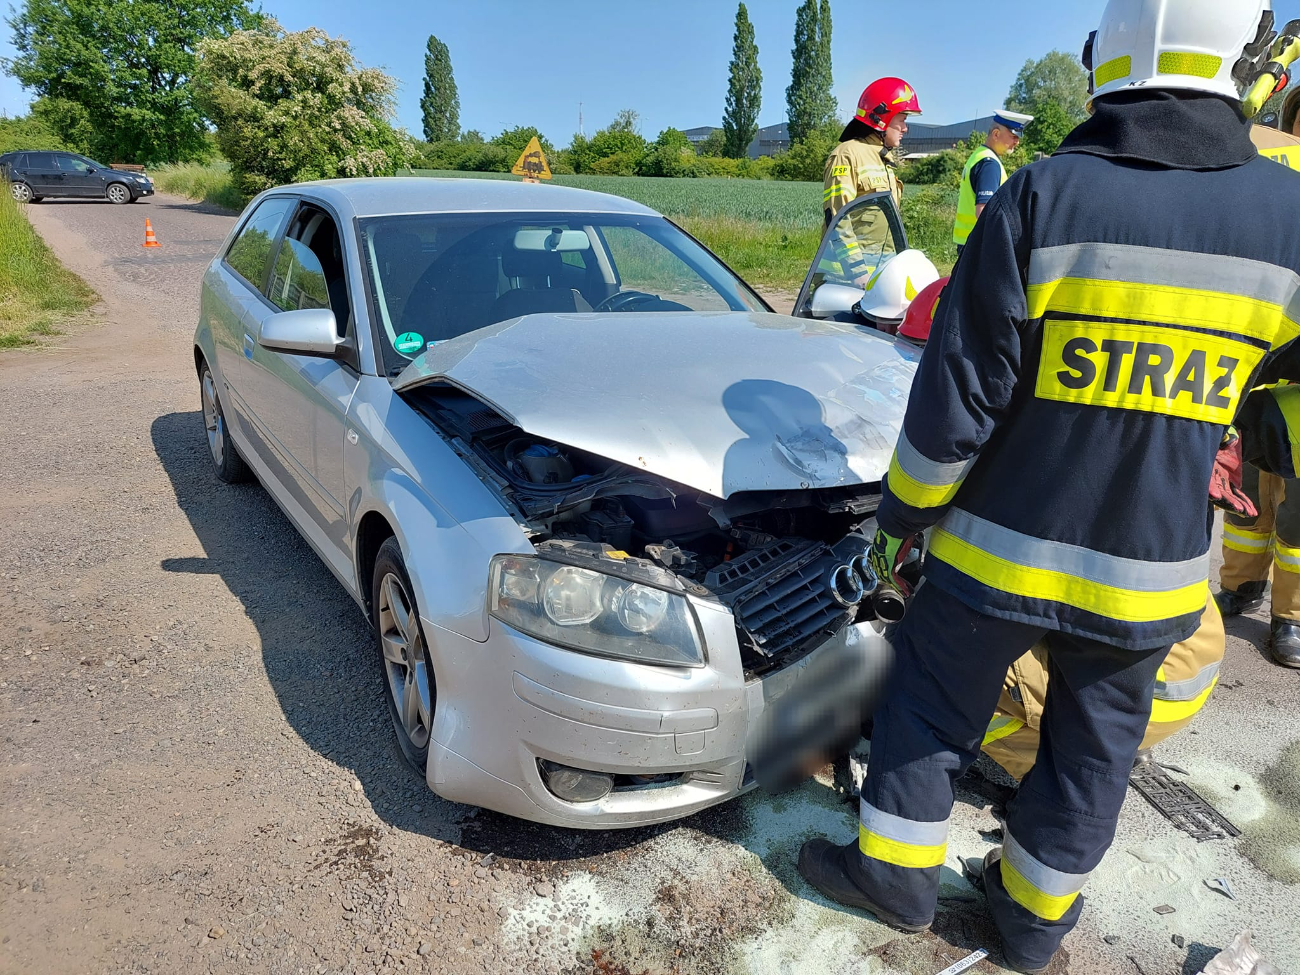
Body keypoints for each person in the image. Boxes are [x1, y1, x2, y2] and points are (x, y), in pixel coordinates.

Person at [795, 1, 1300, 972]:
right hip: (1148, 570)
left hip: (1002, 551)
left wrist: (902, 521)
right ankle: (1029, 925)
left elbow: (957, 401)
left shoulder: (1041, 196)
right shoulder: (1284, 218)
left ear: (1105, 62)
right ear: (1245, 65)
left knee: (930, 703)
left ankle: (894, 878)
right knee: (1091, 754)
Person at [1214, 98, 1300, 667]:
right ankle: (1242, 585)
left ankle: (1291, 618)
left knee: (1297, 517)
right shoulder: (1269, 161)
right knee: (1247, 503)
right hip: (1248, 383)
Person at [822, 78, 920, 286]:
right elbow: (838, 218)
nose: (905, 128)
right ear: (881, 119)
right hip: (844, 280)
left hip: (878, 277)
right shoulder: (847, 154)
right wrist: (858, 274)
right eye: (901, 120)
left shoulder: (882, 157)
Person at [952, 110, 1034, 255]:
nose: (1017, 142)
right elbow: (984, 211)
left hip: (970, 244)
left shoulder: (979, 155)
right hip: (981, 247)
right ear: (996, 134)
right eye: (1013, 136)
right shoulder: (989, 164)